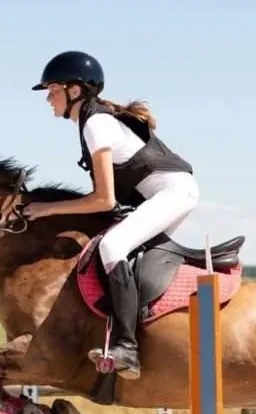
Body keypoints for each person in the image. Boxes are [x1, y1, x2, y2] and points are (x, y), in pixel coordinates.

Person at [24, 50, 198, 381]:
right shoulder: (94, 120)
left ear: (74, 91)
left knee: (112, 247)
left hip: (172, 193)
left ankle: (127, 348)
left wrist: (47, 209)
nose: (48, 97)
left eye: (53, 89)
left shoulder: (96, 124)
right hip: (167, 192)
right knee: (124, 251)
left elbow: (104, 200)